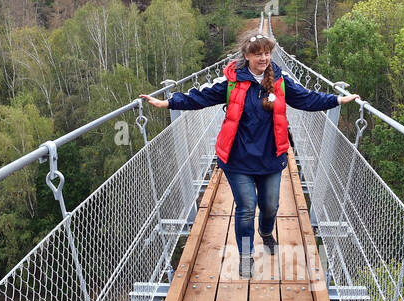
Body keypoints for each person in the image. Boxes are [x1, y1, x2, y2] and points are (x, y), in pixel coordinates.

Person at [141, 31, 358, 278]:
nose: (264, 58)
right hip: (238, 158)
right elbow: (200, 97)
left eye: (267, 53)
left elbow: (307, 99)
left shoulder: (281, 80)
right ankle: (245, 255)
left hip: (271, 157)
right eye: (258, 54)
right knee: (246, 207)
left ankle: (266, 232)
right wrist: (167, 103)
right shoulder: (232, 81)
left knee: (270, 206)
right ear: (246, 56)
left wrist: (337, 100)